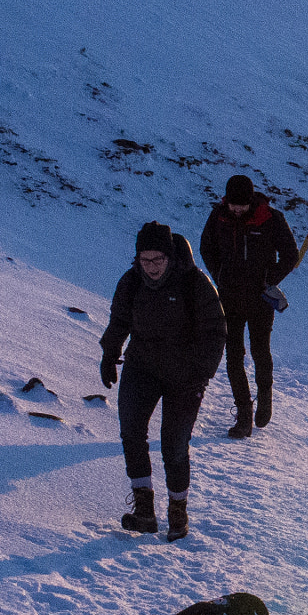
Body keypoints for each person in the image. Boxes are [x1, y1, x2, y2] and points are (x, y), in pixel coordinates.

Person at [100, 221, 226, 538]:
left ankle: (177, 512)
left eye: (158, 259)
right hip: (142, 366)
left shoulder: (195, 284)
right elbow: (119, 320)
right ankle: (144, 511)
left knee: (174, 445)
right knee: (131, 430)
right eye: (145, 260)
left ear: (169, 257)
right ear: (137, 259)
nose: (152, 267)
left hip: (186, 376)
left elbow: (216, 332)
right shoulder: (131, 283)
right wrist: (109, 353)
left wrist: (200, 373)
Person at [199, 174, 301, 439]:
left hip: (259, 299)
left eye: (241, 205)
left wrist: (270, 279)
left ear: (250, 202)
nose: (236, 209)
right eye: (233, 204)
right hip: (229, 298)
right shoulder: (218, 217)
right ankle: (244, 414)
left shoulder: (270, 219)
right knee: (233, 357)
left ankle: (264, 393)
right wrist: (218, 275)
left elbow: (291, 253)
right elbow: (205, 247)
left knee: (260, 351)